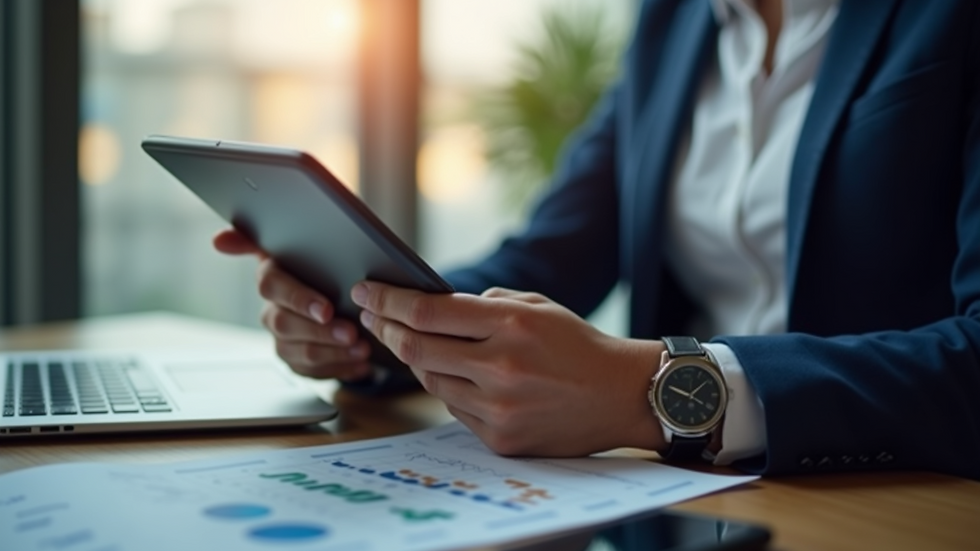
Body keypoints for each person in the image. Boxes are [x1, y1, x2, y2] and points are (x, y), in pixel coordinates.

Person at [214, 0, 980, 480]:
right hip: (692, 505)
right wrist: (363, 315)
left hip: (892, 496)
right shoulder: (674, 22)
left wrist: (646, 392)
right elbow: (551, 255)